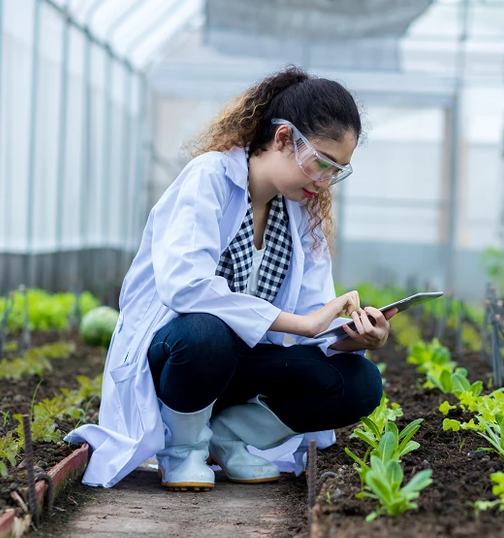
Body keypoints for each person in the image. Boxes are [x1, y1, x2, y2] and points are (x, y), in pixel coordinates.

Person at [67, 65, 393, 490]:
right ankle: (183, 449)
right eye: (322, 163)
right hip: (181, 359)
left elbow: (317, 319)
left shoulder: (303, 212)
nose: (326, 181)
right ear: (282, 139)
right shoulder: (210, 178)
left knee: (360, 383)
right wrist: (299, 323)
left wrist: (357, 337)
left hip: (241, 367)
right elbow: (186, 286)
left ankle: (230, 435)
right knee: (207, 335)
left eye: (337, 171)